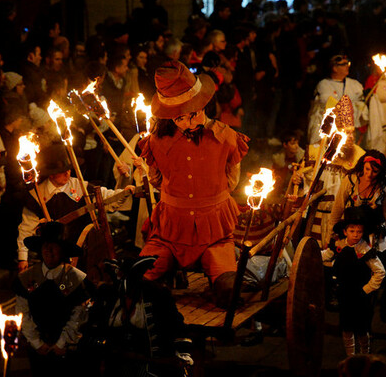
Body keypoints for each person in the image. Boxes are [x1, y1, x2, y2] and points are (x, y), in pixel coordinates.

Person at [137, 61, 249, 307]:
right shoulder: (155, 142)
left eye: (195, 113)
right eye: (181, 117)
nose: (190, 122)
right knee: (138, 281)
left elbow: (232, 180)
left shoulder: (227, 137)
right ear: (168, 117)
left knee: (229, 290)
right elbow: (156, 180)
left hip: (214, 233)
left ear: (203, 105)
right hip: (169, 232)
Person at [17, 143, 134, 272]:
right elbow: (26, 229)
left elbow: (108, 199)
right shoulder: (37, 195)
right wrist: (23, 258)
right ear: (51, 174)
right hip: (53, 256)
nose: (68, 174)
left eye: (69, 169)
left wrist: (124, 192)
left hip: (83, 251)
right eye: (62, 171)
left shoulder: (80, 187)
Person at [13, 221, 92, 377]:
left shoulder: (75, 278)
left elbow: (79, 315)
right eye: (45, 245)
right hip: (37, 349)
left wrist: (62, 343)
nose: (48, 250)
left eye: (54, 246)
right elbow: (22, 313)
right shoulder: (27, 277)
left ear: (62, 250)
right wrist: (37, 343)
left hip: (66, 349)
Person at [322, 206, 385, 355]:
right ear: (345, 231)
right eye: (352, 231)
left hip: (360, 296)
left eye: (359, 231)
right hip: (344, 294)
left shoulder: (365, 250)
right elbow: (325, 255)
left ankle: (365, 354)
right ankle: (350, 356)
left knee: (361, 328)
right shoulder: (339, 246)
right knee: (346, 327)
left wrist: (366, 289)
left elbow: (380, 272)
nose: (355, 235)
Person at [331, 150, 386, 262]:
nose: (369, 174)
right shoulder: (350, 180)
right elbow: (337, 209)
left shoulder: (385, 184)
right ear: (362, 166)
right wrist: (331, 236)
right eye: (367, 169)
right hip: (353, 237)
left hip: (375, 238)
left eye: (375, 171)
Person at [308, 54, 383, 147]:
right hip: (329, 132)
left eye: (348, 63)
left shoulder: (354, 84)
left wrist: (368, 98)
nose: (347, 66)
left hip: (350, 132)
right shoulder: (324, 85)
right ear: (334, 68)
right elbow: (328, 104)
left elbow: (361, 104)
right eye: (344, 64)